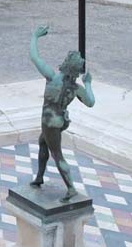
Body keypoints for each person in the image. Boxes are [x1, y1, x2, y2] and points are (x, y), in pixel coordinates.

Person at [28, 24, 95, 201]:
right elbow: (91, 102)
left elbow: (35, 57)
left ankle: (71, 188)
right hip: (57, 121)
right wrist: (88, 83)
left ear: (65, 64)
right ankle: (39, 177)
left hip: (49, 121)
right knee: (43, 142)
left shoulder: (52, 77)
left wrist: (35, 37)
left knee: (57, 155)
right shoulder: (76, 88)